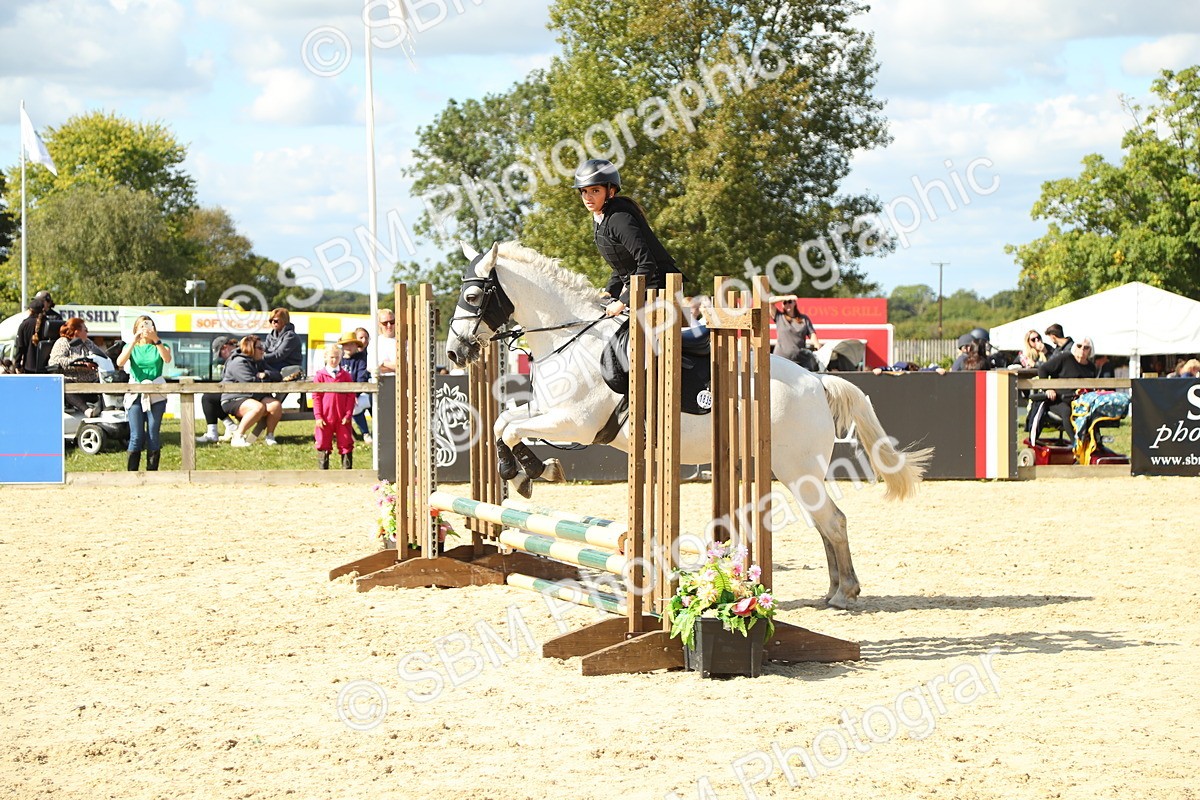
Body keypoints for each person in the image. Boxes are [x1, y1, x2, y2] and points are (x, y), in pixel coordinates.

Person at [573, 158, 681, 317]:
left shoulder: (620, 219)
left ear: (610, 192)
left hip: (658, 292)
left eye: (595, 191)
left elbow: (647, 263)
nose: (588, 197)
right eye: (584, 191)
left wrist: (623, 301)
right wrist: (611, 291)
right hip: (639, 290)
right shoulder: (600, 218)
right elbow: (623, 265)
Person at [116, 315, 172, 472]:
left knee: (153, 433)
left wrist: (156, 339)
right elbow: (120, 362)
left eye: (148, 325)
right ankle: (132, 473)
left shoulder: (161, 345)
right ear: (135, 329)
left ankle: (152, 472)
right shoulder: (131, 347)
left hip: (156, 393)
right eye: (141, 326)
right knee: (136, 435)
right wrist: (133, 342)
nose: (145, 329)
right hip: (136, 393)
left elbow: (167, 359)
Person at [1030, 336, 1097, 443]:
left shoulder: (1091, 368)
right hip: (1057, 400)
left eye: (1086, 348)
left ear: (1090, 351)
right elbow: (1043, 369)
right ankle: (1076, 443)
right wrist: (1048, 389)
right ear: (1074, 347)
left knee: (1094, 412)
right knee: (1067, 411)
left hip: (1080, 403)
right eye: (1079, 346)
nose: (1082, 350)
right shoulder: (1065, 358)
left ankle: (1094, 442)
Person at [220, 335, 283, 447]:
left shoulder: (259, 361)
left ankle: (270, 436)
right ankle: (238, 437)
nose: (263, 351)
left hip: (253, 396)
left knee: (275, 405)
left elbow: (278, 375)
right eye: (260, 348)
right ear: (250, 348)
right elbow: (250, 382)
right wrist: (263, 378)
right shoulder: (238, 362)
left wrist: (265, 374)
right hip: (233, 398)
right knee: (257, 408)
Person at [48, 317, 108, 415]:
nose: (87, 333)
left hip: (90, 380)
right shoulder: (63, 342)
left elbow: (100, 354)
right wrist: (80, 363)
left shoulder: (87, 342)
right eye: (85, 330)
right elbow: (55, 361)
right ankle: (87, 410)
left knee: (107, 379)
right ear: (77, 332)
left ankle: (108, 408)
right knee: (65, 384)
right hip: (71, 378)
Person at [313, 343, 356, 469]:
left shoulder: (346, 376)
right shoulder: (320, 376)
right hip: (325, 415)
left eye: (337, 357)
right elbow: (316, 397)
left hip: (342, 415)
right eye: (331, 357)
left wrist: (348, 414)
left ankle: (347, 470)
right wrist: (318, 416)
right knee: (323, 441)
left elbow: (351, 396)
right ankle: (323, 471)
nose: (334, 360)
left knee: (346, 441)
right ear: (325, 357)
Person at [196, 335, 239, 443]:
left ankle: (213, 432)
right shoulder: (234, 356)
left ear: (225, 347)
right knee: (212, 398)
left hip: (240, 391)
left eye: (220, 354)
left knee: (208, 398)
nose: (221, 357)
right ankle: (231, 427)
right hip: (236, 389)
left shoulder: (236, 357)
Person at [773, 297, 823, 371]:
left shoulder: (804, 319)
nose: (787, 304)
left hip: (800, 360)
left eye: (790, 302)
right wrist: (785, 297)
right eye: (784, 302)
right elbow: (769, 302)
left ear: (794, 303)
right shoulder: (779, 317)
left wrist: (817, 345)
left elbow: (811, 333)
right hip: (781, 359)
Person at [339, 332, 372, 443]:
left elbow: (361, 378)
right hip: (341, 395)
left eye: (351, 344)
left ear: (356, 346)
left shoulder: (361, 359)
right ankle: (345, 432)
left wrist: (354, 395)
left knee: (355, 406)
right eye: (346, 344)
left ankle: (366, 433)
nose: (348, 347)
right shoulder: (338, 360)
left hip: (359, 393)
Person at [376, 310, 397, 375]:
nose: (389, 325)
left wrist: (383, 363)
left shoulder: (405, 341)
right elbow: (373, 368)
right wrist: (395, 367)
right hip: (382, 380)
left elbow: (407, 366)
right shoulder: (375, 342)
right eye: (385, 323)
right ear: (379, 324)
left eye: (392, 322)